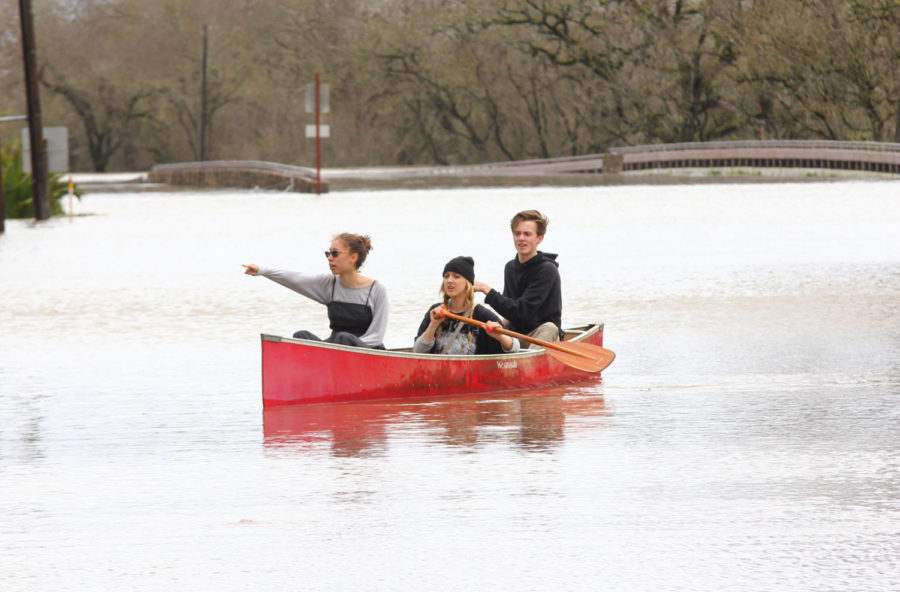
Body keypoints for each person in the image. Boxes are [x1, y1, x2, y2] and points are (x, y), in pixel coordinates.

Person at [242, 233, 388, 349]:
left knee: (343, 337)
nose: (330, 258)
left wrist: (345, 346)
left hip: (368, 352)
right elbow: (295, 279)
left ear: (353, 257)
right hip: (337, 349)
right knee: (301, 336)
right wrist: (262, 270)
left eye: (335, 254)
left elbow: (376, 336)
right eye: (328, 254)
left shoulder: (376, 290)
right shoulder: (329, 284)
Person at [473, 210, 562, 348]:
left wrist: (486, 290)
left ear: (540, 238)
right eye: (517, 233)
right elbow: (510, 311)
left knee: (550, 327)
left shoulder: (547, 270)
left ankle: (529, 362)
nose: (521, 238)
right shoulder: (510, 267)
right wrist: (498, 328)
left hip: (541, 336)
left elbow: (522, 312)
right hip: (516, 336)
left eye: (527, 234)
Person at [414, 256, 519, 355]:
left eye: (456, 276)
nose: (449, 280)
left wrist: (500, 336)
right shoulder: (435, 311)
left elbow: (516, 347)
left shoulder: (481, 314)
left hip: (474, 373)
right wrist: (433, 325)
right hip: (440, 373)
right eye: (446, 276)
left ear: (468, 283)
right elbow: (417, 352)